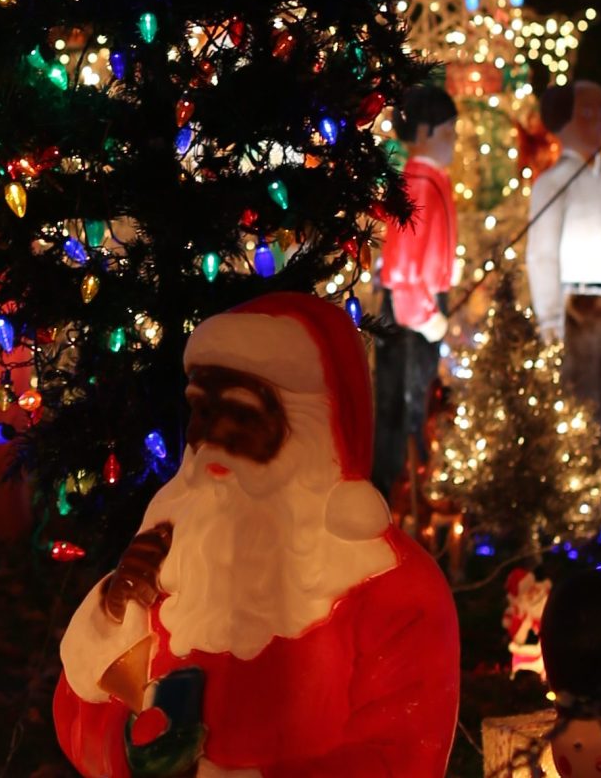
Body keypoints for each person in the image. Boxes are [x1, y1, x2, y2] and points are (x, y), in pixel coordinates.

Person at [54, 294, 459, 778]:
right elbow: (80, 724)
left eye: (243, 415)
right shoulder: (170, 560)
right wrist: (113, 619)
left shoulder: (393, 590)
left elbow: (403, 756)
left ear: (312, 432)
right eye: (202, 412)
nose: (212, 440)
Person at [527, 80, 601, 454]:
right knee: (582, 400)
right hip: (576, 307)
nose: (598, 120)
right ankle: (585, 469)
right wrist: (549, 317)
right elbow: (542, 254)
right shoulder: (553, 184)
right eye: (585, 112)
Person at [371, 86, 458, 497]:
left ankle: (406, 484)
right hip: (413, 314)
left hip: (420, 305)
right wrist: (424, 315)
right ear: (424, 132)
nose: (454, 142)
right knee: (408, 400)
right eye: (448, 133)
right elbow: (405, 263)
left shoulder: (428, 179)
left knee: (415, 398)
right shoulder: (420, 183)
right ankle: (400, 489)